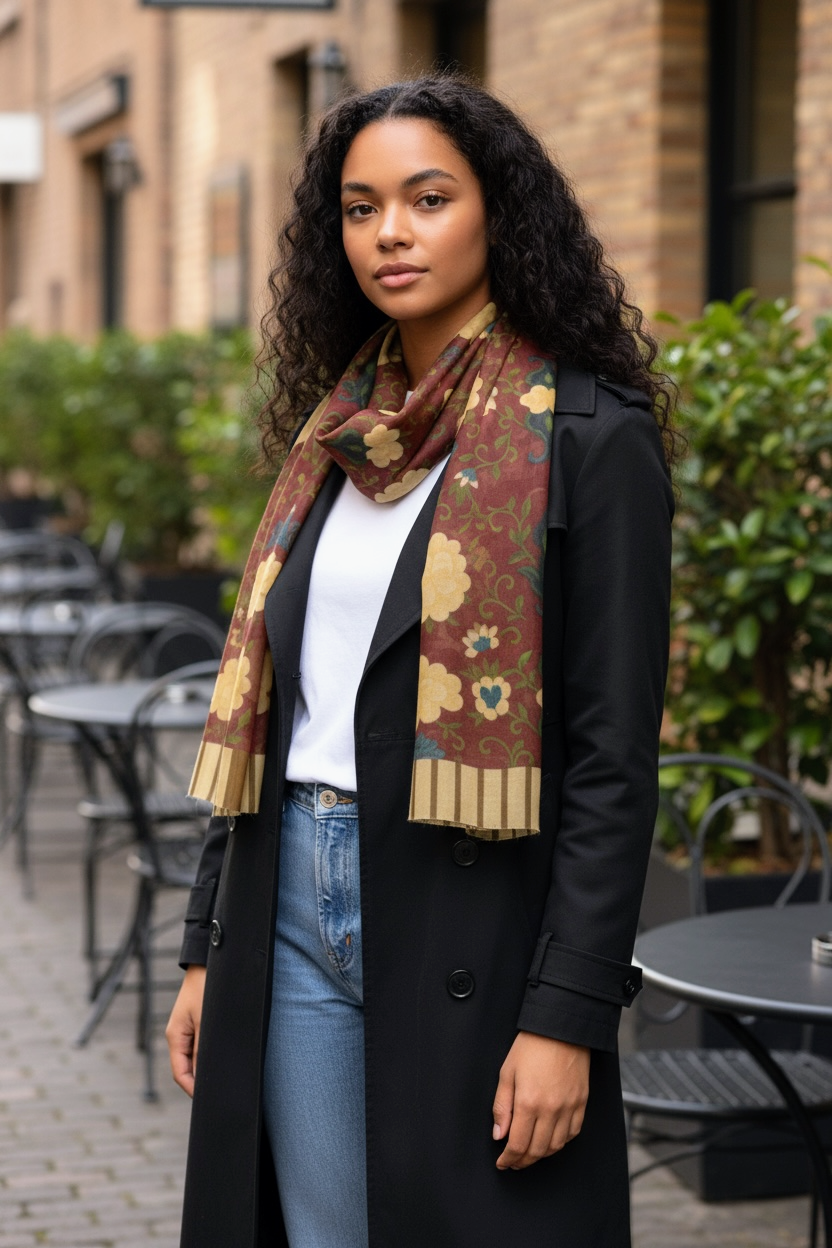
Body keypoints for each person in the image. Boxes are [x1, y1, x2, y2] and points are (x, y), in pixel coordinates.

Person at [166, 74, 675, 1248]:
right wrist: (206, 948)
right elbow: (267, 712)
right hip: (288, 885)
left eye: (427, 197)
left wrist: (569, 1014)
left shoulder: (592, 439)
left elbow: (611, 764)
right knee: (323, 1229)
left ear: (497, 210)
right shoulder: (333, 438)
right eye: (359, 207)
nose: (389, 232)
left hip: (478, 914)